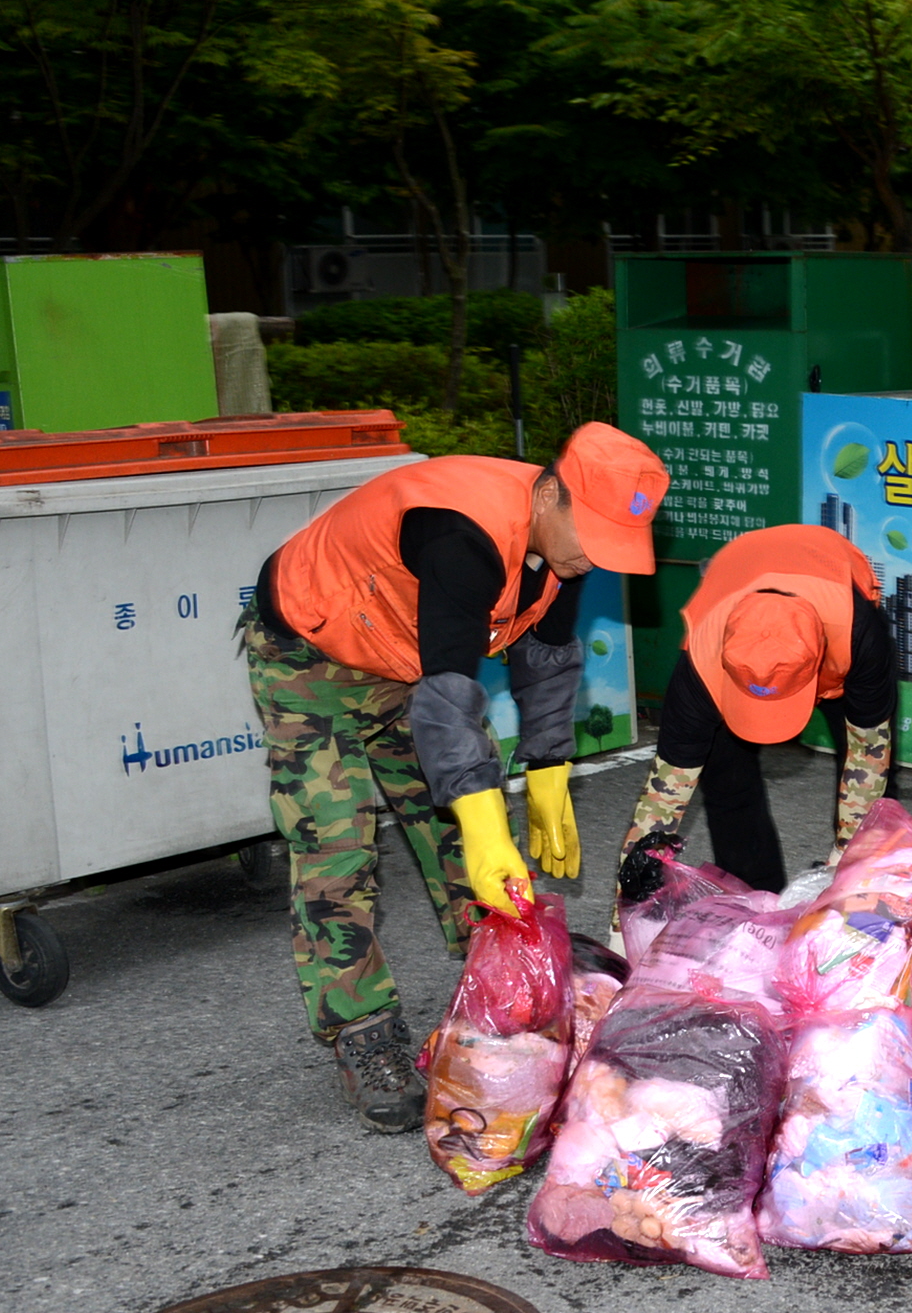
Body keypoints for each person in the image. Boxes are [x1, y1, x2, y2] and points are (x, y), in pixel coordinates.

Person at [240, 422, 668, 1131]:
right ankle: (362, 1031)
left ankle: (500, 988)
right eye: (590, 536)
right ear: (551, 493)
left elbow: (547, 658)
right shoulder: (460, 537)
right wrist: (485, 818)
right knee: (337, 841)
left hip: (403, 657)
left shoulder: (559, 548)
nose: (594, 559)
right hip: (312, 655)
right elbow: (449, 700)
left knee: (457, 827)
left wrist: (551, 771)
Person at [618, 524, 898, 895]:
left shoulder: (860, 635)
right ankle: (754, 902)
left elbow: (868, 756)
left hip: (834, 610)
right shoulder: (701, 666)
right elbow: (663, 795)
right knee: (725, 777)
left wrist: (845, 867)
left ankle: (879, 892)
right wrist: (627, 908)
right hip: (737, 590)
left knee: (875, 789)